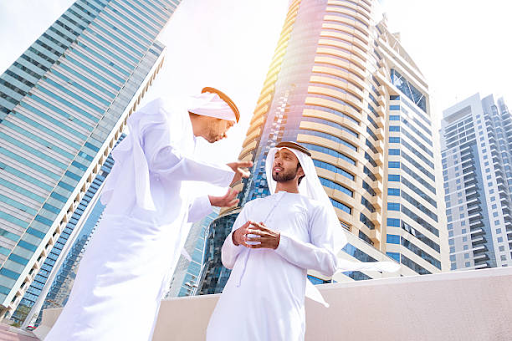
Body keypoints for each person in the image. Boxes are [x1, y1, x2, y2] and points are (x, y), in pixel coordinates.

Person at [45, 87, 252, 341]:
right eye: (227, 125)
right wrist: (221, 172)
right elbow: (161, 159)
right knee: (101, 307)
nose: (226, 135)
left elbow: (170, 200)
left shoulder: (189, 142)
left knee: (131, 316)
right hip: (130, 237)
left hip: (151, 248)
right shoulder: (167, 110)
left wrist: (210, 200)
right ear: (215, 113)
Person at [206, 141, 399, 341]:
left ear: (301, 170)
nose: (278, 161)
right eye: (277, 156)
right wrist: (236, 237)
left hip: (279, 311)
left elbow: (329, 264)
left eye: (287, 158)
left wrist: (279, 242)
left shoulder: (314, 209)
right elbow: (227, 260)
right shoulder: (252, 206)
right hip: (233, 308)